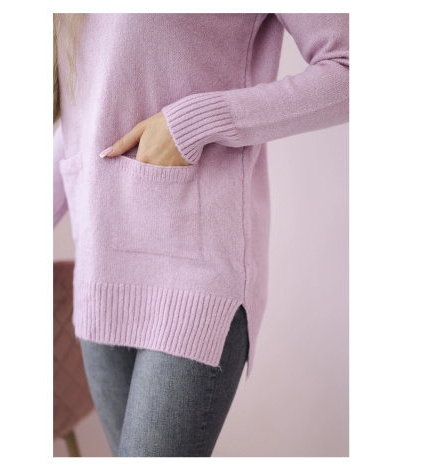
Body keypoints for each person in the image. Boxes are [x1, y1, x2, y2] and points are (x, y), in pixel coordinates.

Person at [53, 13, 349, 457]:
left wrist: (193, 122)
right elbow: (90, 108)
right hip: (101, 265)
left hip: (196, 268)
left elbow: (349, 67)